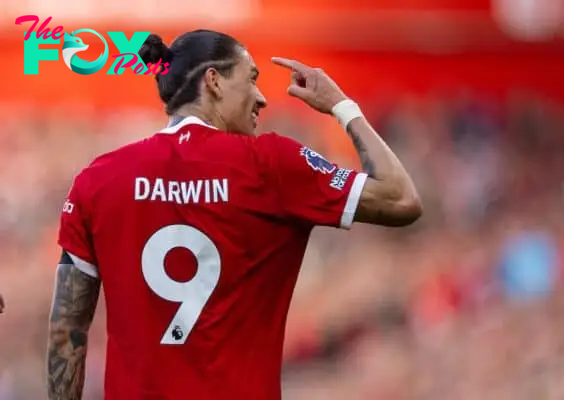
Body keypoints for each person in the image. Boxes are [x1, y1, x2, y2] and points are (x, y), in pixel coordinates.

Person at [46, 29, 422, 400]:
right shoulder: (272, 165)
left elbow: (67, 329)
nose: (261, 99)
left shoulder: (98, 179)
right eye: (252, 80)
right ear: (214, 82)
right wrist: (342, 106)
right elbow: (401, 198)